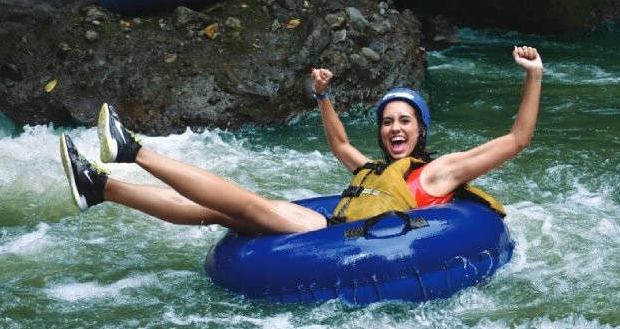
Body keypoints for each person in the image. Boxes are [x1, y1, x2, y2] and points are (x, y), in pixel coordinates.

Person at [60, 45, 543, 234]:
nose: (394, 129)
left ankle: (133, 150)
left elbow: (518, 139)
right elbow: (339, 146)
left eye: (404, 121)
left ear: (421, 130)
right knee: (217, 210)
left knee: (247, 204)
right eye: (387, 122)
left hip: (340, 239)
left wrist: (533, 75)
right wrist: (323, 96)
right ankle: (102, 188)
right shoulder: (374, 172)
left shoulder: (441, 171)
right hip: (333, 227)